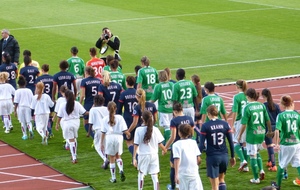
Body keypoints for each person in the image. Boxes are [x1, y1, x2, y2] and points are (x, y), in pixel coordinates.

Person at [238, 88, 273, 184]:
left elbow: (244, 124)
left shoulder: (247, 107)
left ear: (248, 96)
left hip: (252, 135)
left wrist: (240, 135)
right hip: (261, 132)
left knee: (252, 155)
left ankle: (255, 178)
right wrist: (269, 130)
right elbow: (267, 119)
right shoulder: (261, 105)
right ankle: (261, 170)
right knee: (257, 153)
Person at [200, 105, 236, 190]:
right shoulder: (225, 124)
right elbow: (231, 142)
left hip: (212, 157)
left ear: (208, 114)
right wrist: (232, 156)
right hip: (224, 155)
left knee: (214, 186)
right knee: (221, 180)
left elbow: (201, 144)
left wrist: (198, 155)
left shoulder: (205, 126)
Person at [271, 96, 300, 189]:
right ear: (292, 103)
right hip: (296, 142)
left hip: (286, 144)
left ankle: (278, 186)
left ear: (283, 104)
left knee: (282, 164)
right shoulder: (297, 115)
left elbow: (277, 130)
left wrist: (276, 143)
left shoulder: (281, 115)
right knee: (298, 163)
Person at [164, 102, 195, 190]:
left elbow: (173, 137)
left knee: (173, 166)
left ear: (174, 111)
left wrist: (165, 147)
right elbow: (192, 133)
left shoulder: (174, 121)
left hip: (177, 145)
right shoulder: (189, 119)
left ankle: (173, 187)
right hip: (188, 144)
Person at [133, 110, 167, 190]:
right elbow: (160, 143)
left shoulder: (138, 130)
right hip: (154, 155)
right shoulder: (155, 129)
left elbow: (136, 144)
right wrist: (164, 149)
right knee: (154, 175)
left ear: (142, 118)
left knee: (141, 174)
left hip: (143, 155)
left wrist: (134, 157)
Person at [100, 101, 130, 183]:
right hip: (119, 137)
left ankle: (113, 178)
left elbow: (103, 132)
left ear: (107, 109)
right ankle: (121, 169)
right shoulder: (120, 117)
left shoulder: (104, 119)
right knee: (118, 156)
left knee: (112, 158)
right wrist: (128, 134)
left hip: (109, 137)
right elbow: (124, 130)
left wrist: (101, 143)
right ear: (116, 109)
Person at [56, 90, 87, 163]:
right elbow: (84, 113)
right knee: (74, 138)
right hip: (76, 123)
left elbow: (59, 116)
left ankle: (74, 157)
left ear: (66, 97)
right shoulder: (77, 104)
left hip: (67, 123)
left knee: (70, 140)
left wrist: (57, 124)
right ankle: (74, 153)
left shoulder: (63, 105)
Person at [174, 124, 203, 190]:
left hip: (182, 173)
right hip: (193, 172)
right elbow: (198, 159)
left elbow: (177, 159)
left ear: (179, 133)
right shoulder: (193, 142)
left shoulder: (176, 145)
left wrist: (176, 175)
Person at [229, 80, 249, 172]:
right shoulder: (247, 96)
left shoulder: (236, 97)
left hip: (240, 121)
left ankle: (243, 160)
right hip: (248, 121)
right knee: (244, 143)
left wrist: (232, 124)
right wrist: (226, 116)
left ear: (237, 86)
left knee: (235, 141)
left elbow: (235, 111)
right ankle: (246, 166)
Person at [150, 70, 174, 144]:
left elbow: (153, 99)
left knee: (166, 126)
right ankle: (166, 140)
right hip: (172, 108)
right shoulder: (172, 84)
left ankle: (168, 143)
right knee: (171, 126)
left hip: (163, 109)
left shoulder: (158, 86)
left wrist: (146, 104)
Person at [118, 76, 138, 158]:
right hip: (137, 119)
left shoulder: (124, 94)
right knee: (136, 141)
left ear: (126, 83)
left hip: (127, 119)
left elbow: (119, 108)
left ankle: (136, 157)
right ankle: (135, 158)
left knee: (129, 141)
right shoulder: (137, 93)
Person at [262, 88, 281, 172]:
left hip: (267, 128)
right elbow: (280, 116)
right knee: (271, 144)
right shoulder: (275, 105)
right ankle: (270, 161)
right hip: (276, 127)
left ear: (263, 96)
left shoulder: (263, 106)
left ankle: (273, 165)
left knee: (269, 145)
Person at [88, 95, 109, 169]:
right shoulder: (106, 108)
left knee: (97, 146)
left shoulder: (93, 110)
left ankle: (105, 159)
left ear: (95, 102)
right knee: (105, 145)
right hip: (107, 130)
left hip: (98, 130)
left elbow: (90, 122)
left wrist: (88, 132)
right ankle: (105, 161)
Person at [80, 66, 101, 138]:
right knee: (97, 122)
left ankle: (95, 137)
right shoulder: (98, 80)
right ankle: (98, 136)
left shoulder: (84, 81)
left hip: (88, 103)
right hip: (97, 104)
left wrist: (79, 103)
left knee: (86, 122)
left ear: (86, 72)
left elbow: (82, 95)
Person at [35, 64, 54, 138]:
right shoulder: (52, 78)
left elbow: (37, 89)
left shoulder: (39, 78)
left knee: (42, 116)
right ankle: (50, 131)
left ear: (42, 70)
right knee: (50, 115)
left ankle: (48, 131)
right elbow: (54, 88)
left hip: (42, 97)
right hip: (50, 97)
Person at [52, 85, 69, 150]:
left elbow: (56, 110)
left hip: (62, 118)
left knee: (65, 132)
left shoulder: (60, 100)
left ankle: (69, 144)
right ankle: (67, 145)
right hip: (70, 117)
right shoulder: (70, 98)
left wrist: (54, 117)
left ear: (61, 92)